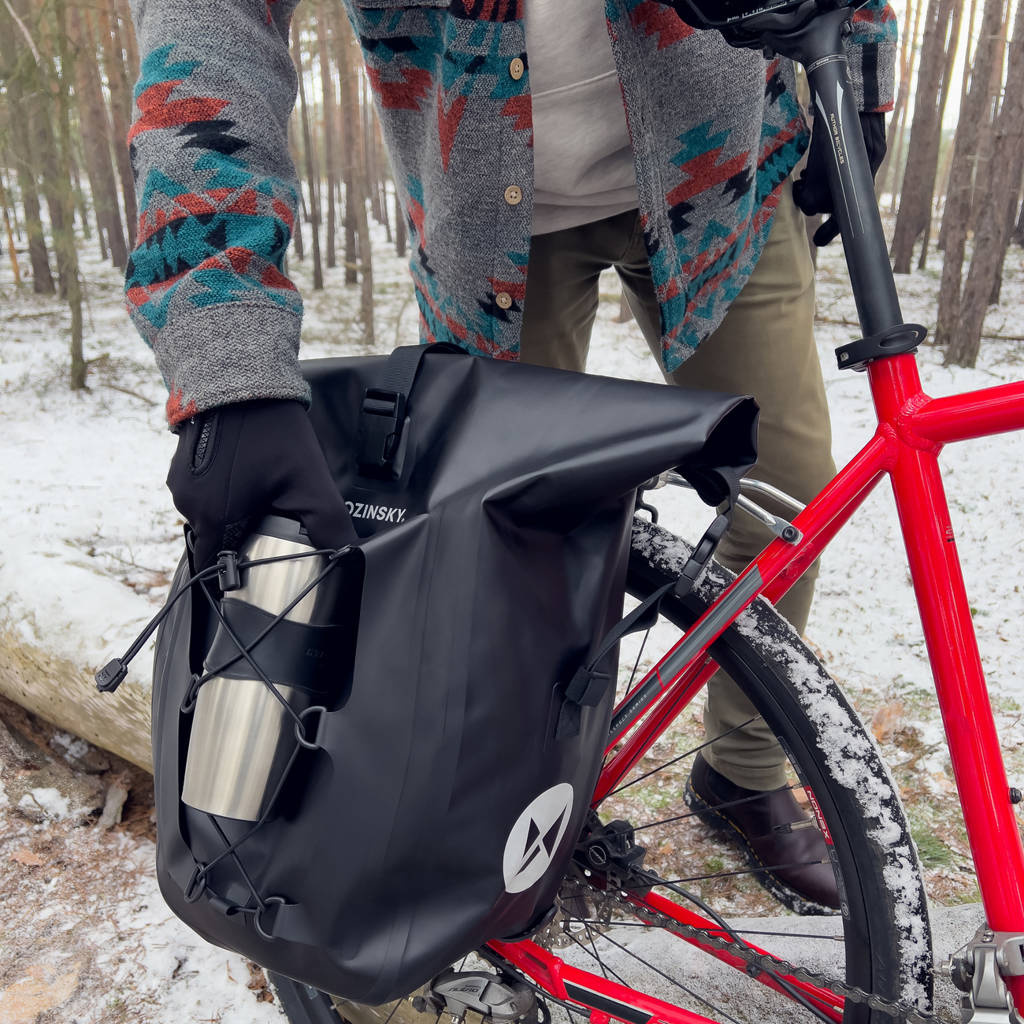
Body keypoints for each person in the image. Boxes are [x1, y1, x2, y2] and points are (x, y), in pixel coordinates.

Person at [125, 0, 894, 912]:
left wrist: (861, 75)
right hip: (484, 224)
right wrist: (226, 361)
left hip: (723, 181)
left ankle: (743, 773)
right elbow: (208, 29)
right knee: (499, 555)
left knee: (789, 499)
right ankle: (522, 808)